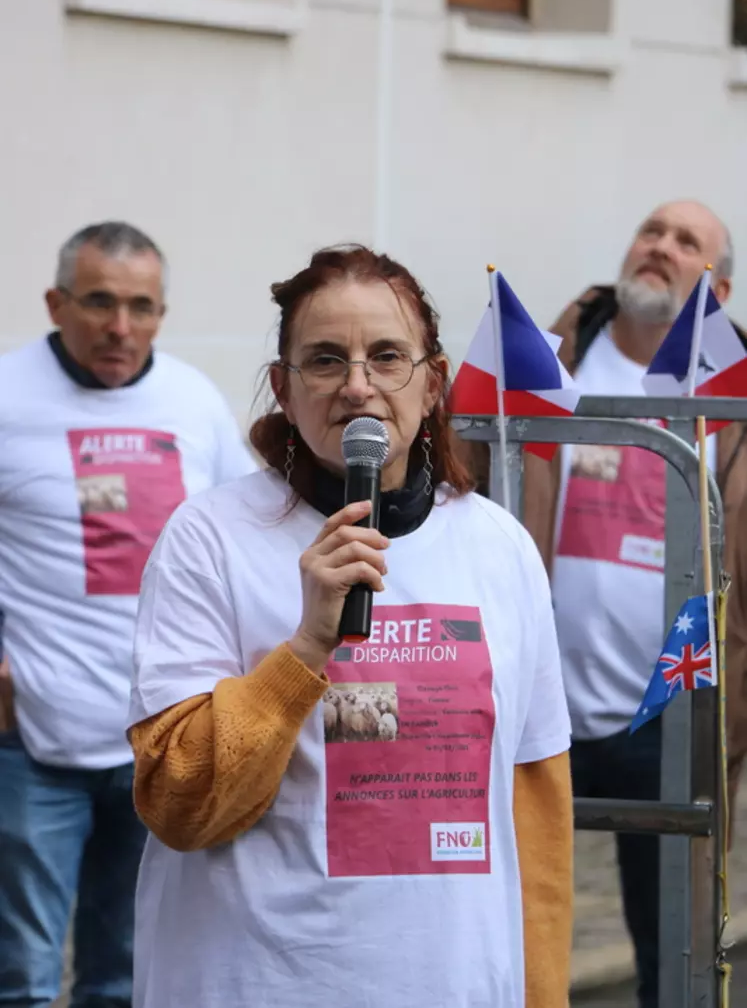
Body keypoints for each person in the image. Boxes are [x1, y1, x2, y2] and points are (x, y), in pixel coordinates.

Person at [126, 245, 573, 1008]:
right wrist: (304, 651)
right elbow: (179, 802)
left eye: (386, 356)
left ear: (432, 382)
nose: (357, 385)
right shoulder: (210, 538)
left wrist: (542, 993)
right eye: (325, 359)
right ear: (283, 388)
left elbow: (533, 809)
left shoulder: (498, 546)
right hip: (253, 983)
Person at [0, 221, 256, 1007]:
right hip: (33, 740)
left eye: (142, 307)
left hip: (157, 739)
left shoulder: (192, 400)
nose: (121, 327)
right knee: (23, 978)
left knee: (126, 973)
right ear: (55, 302)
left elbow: (240, 536)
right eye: (100, 302)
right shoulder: (8, 395)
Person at [515, 200, 747, 1008]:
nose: (659, 246)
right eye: (650, 230)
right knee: (514, 928)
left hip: (671, 712)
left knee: (672, 945)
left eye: (686, 242)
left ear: (714, 286)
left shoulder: (732, 391)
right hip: (537, 701)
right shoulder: (553, 358)